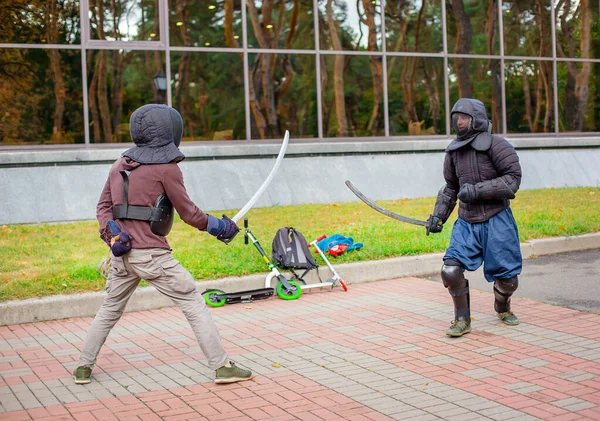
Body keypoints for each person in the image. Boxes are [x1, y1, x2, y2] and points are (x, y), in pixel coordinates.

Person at [73, 104, 252, 385]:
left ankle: (83, 367)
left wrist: (112, 237)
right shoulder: (166, 169)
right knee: (193, 301)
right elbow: (189, 214)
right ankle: (222, 366)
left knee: (109, 310)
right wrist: (221, 227)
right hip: (153, 256)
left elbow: (103, 208)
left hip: (122, 258)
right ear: (168, 131)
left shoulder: (118, 165)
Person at [427, 98, 522, 337]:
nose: (459, 121)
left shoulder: (498, 145)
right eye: (456, 117)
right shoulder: (453, 152)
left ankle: (502, 305)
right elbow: (450, 187)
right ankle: (462, 319)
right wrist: (439, 216)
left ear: (476, 118)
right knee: (450, 270)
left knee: (509, 281)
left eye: (464, 117)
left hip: (497, 219)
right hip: (466, 222)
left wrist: (477, 190)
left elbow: (513, 179)